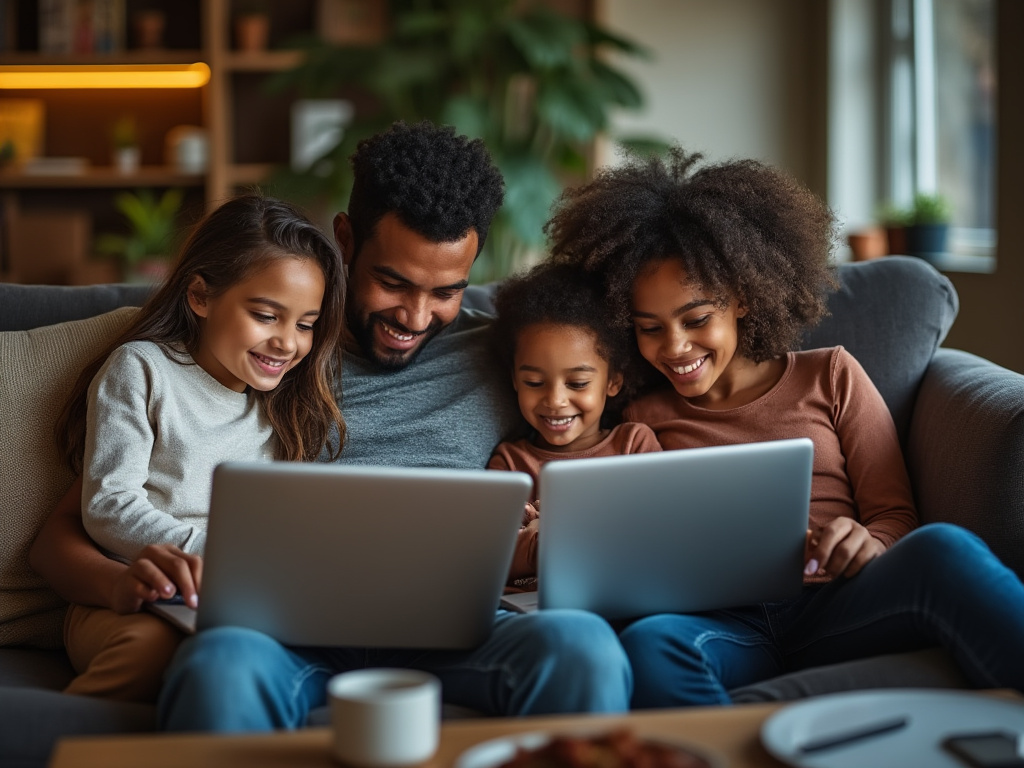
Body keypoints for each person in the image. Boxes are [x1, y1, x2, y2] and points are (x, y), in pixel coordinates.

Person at [31, 121, 632, 729]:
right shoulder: (271, 352)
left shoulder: (511, 358)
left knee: (581, 647)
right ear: (345, 239)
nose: (416, 317)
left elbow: (623, 381)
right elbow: (69, 528)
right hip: (288, 625)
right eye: (392, 282)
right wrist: (126, 583)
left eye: (448, 291)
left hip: (450, 618)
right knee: (221, 665)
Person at [544, 148, 1024, 707]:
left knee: (943, 550)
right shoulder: (640, 418)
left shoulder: (833, 375)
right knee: (651, 643)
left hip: (837, 604)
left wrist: (868, 542)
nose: (674, 347)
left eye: (697, 319)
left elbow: (894, 515)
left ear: (743, 299)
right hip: (721, 624)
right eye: (649, 328)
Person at [42, 194, 347, 703]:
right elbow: (107, 505)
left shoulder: (282, 409)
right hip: (133, 590)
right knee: (152, 651)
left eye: (305, 324)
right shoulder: (143, 370)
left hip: (234, 600)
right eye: (266, 315)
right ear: (201, 296)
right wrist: (219, 557)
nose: (287, 343)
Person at [487, 261, 660, 588]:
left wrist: (554, 529)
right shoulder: (511, 464)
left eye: (578, 383)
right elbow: (489, 557)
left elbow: (659, 532)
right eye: (535, 382)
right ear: (514, 380)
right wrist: (538, 547)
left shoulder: (634, 445)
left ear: (613, 381)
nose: (555, 400)